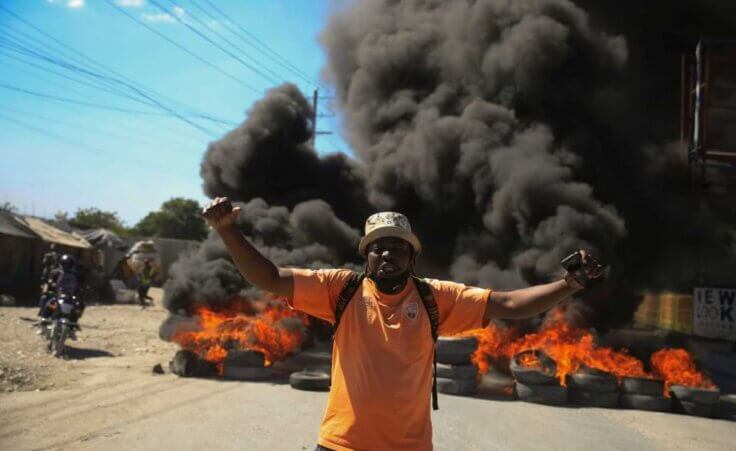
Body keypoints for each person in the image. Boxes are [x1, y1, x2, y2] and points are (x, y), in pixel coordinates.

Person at [202, 197, 606, 451]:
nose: (386, 256)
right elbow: (269, 278)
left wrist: (569, 284)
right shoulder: (338, 289)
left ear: (412, 258)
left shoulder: (436, 297)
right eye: (377, 249)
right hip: (342, 444)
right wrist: (228, 231)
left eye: (396, 248)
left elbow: (510, 303)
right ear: (366, 256)